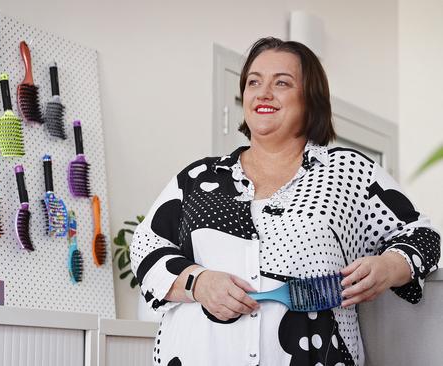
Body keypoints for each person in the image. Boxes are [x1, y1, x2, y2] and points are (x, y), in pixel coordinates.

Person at [130, 36, 441, 366]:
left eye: (282, 82)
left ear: (310, 99)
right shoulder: (196, 178)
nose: (263, 93)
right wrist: (198, 282)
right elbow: (145, 246)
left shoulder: (348, 171)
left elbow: (423, 236)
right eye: (254, 82)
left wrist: (390, 266)